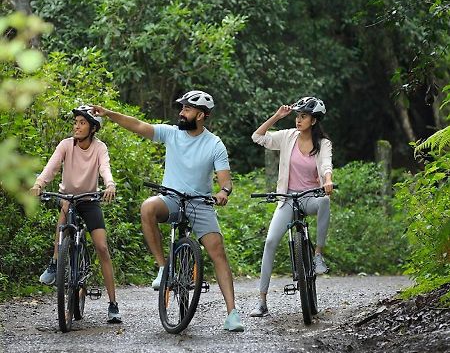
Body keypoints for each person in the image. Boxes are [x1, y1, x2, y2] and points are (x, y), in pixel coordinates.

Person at [91, 90, 244, 332]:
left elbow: (225, 179)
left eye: (187, 109)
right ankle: (164, 267)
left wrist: (223, 192)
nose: (181, 113)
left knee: (218, 251)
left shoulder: (215, 144)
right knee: (148, 206)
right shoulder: (172, 133)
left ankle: (232, 314)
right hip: (171, 199)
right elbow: (138, 126)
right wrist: (108, 113)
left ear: (201, 115)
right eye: (181, 108)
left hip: (200, 202)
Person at [30, 105, 122, 323]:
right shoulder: (65, 145)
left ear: (92, 128)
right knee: (63, 219)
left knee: (101, 247)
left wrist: (109, 184)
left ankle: (113, 304)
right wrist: (38, 184)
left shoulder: (99, 148)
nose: (77, 126)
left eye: (82, 123)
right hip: (69, 198)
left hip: (90, 200)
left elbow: (105, 168)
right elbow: (50, 168)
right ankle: (55, 263)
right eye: (76, 122)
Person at [249, 96, 334, 317]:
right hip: (287, 199)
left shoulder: (323, 144)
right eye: (297, 116)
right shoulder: (287, 137)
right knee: (270, 242)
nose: (298, 120)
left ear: (314, 121)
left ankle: (317, 256)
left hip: (310, 197)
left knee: (325, 201)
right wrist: (277, 116)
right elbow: (257, 137)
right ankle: (262, 301)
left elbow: (326, 164)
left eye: (303, 116)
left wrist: (327, 180)